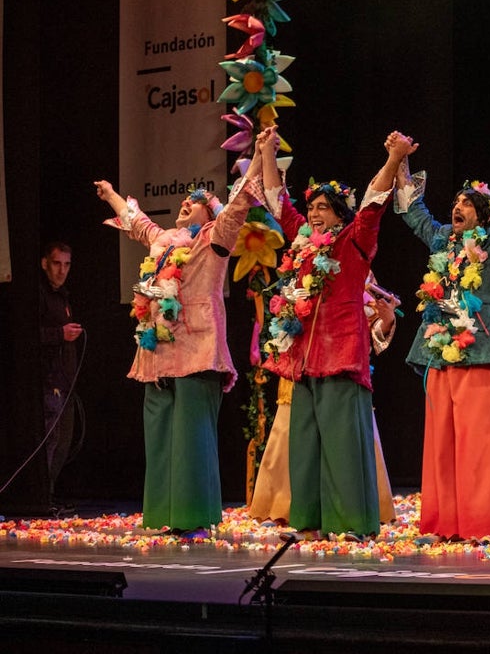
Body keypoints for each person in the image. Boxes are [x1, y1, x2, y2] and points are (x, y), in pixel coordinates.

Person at [94, 140, 266, 538]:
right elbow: (138, 222)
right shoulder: (164, 242)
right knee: (159, 437)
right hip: (156, 354)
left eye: (198, 199)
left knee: (191, 440)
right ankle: (162, 516)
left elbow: (241, 200)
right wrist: (111, 195)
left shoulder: (213, 239)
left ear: (211, 213)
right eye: (186, 200)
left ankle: (193, 519)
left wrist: (259, 155)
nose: (187, 202)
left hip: (197, 351)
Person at [259, 127, 407, 540]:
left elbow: (376, 202)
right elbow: (278, 203)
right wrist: (267, 153)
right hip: (304, 359)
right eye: (314, 207)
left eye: (325, 207)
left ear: (341, 213)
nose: (315, 213)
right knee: (303, 447)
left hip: (342, 356)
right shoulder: (303, 242)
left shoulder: (354, 241)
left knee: (342, 448)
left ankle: (348, 524)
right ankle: (307, 522)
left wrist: (394, 159)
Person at [396, 124, 490, 544]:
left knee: (482, 441)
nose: (458, 207)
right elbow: (411, 212)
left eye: (467, 203)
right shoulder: (442, 240)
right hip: (441, 350)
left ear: (483, 215)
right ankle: (446, 522)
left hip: (481, 350)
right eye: (456, 201)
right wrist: (400, 164)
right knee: (442, 442)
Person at [247, 274, 401, 526]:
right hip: (302, 366)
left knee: (342, 441)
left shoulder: (359, 271)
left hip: (340, 367)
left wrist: (387, 320)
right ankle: (283, 505)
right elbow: (286, 312)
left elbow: (373, 335)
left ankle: (345, 509)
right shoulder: (303, 262)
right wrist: (289, 307)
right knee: (293, 433)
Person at [38, 241, 82, 511]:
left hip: (66, 383)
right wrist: (60, 334)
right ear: (45, 264)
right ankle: (42, 497)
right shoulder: (39, 296)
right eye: (56, 264)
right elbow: (26, 335)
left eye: (66, 265)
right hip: (49, 381)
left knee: (63, 440)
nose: (61, 270)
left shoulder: (62, 296)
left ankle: (50, 495)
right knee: (50, 440)